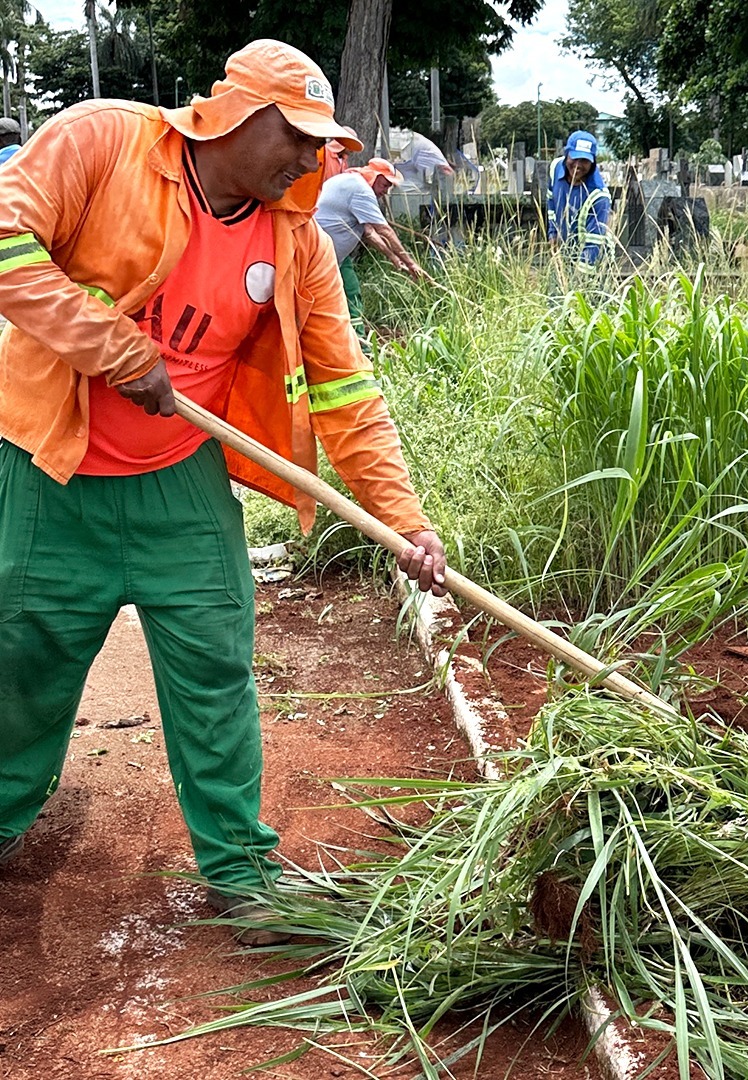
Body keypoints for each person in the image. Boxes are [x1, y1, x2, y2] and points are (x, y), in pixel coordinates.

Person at [0, 39, 449, 944]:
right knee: (23, 668)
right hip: (52, 472)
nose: (310, 156)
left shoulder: (297, 244)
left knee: (215, 672)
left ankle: (242, 872)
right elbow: (5, 242)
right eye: (297, 134)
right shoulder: (103, 142)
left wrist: (403, 522)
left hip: (184, 490)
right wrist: (114, 346)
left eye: (320, 141)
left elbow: (345, 392)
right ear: (237, 116)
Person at [316, 156, 426, 344]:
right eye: (384, 185)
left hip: (336, 258)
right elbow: (384, 230)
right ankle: (356, 346)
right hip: (320, 258)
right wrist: (411, 263)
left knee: (350, 292)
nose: (385, 191)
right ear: (374, 176)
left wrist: (393, 257)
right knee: (342, 300)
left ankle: (354, 343)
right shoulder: (360, 190)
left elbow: (368, 232)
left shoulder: (352, 181)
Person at [547, 130, 611, 268]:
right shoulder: (556, 168)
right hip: (562, 256)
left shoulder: (599, 196)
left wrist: (577, 280)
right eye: (574, 158)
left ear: (593, 162)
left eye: (584, 160)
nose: (578, 165)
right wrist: (552, 233)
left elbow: (593, 245)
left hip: (593, 265)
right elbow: (551, 200)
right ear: (566, 155)